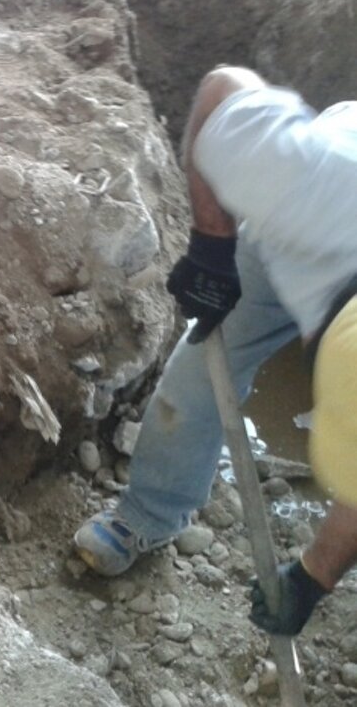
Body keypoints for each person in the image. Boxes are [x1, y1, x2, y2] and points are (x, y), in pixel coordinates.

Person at [73, 65, 357, 636]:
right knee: (204, 367)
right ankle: (149, 513)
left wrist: (312, 577)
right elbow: (221, 86)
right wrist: (211, 243)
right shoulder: (296, 175)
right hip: (311, 212)